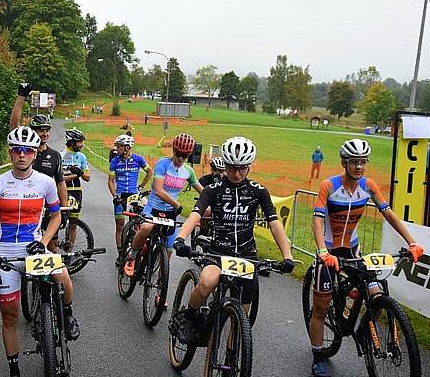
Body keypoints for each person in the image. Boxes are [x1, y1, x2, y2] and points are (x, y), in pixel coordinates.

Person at [308, 138, 423, 377]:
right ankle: (318, 356)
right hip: (328, 251)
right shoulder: (329, 185)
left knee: (376, 293)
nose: (359, 167)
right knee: (320, 309)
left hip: (352, 250)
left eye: (363, 162)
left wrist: (411, 242)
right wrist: (322, 251)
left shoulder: (368, 185)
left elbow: (388, 213)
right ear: (344, 163)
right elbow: (317, 219)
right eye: (354, 162)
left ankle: (362, 330)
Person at [0, 127, 78, 377]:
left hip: (35, 247)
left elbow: (57, 216)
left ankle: (68, 316)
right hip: (5, 250)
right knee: (9, 312)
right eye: (17, 150)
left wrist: (45, 240)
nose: (22, 155)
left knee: (63, 277)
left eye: (27, 151)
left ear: (35, 154)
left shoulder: (45, 183)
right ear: (11, 153)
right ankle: (14, 372)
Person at [172, 137, 296, 342]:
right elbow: (195, 214)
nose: (236, 174)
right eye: (231, 168)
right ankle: (190, 315)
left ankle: (232, 355)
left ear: (249, 167)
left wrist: (287, 256)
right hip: (218, 253)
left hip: (247, 257)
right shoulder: (214, 189)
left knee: (241, 320)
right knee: (206, 283)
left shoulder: (259, 191)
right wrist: (180, 239)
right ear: (225, 166)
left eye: (242, 168)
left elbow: (274, 223)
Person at [123, 133, 203, 278]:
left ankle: (160, 291)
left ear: (189, 155)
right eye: (178, 154)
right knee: (146, 228)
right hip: (153, 208)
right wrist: (176, 203)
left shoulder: (188, 172)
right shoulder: (162, 164)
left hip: (171, 213)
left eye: (184, 156)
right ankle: (132, 257)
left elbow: (203, 192)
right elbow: (159, 191)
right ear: (173, 150)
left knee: (169, 250)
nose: (180, 159)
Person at [9, 83, 68, 246]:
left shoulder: (55, 155)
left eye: (47, 130)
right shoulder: (24, 151)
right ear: (33, 132)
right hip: (26, 206)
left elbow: (61, 183)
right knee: (25, 247)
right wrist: (21, 97)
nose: (45, 134)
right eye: (41, 130)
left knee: (52, 247)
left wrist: (64, 209)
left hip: (48, 207)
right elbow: (14, 126)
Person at [108, 134, 152, 254]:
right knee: (120, 226)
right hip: (120, 195)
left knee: (136, 223)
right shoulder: (114, 161)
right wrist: (115, 196)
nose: (117, 149)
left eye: (119, 146)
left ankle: (135, 250)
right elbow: (110, 181)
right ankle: (120, 253)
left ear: (127, 147)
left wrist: (141, 186)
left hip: (134, 194)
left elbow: (149, 172)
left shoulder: (138, 159)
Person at [61, 128, 91, 243]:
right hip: (63, 191)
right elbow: (58, 178)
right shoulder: (60, 155)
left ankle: (69, 252)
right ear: (72, 142)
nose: (82, 145)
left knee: (73, 223)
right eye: (80, 142)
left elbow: (87, 177)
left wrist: (80, 172)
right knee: (59, 220)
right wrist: (74, 175)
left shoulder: (82, 157)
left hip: (77, 192)